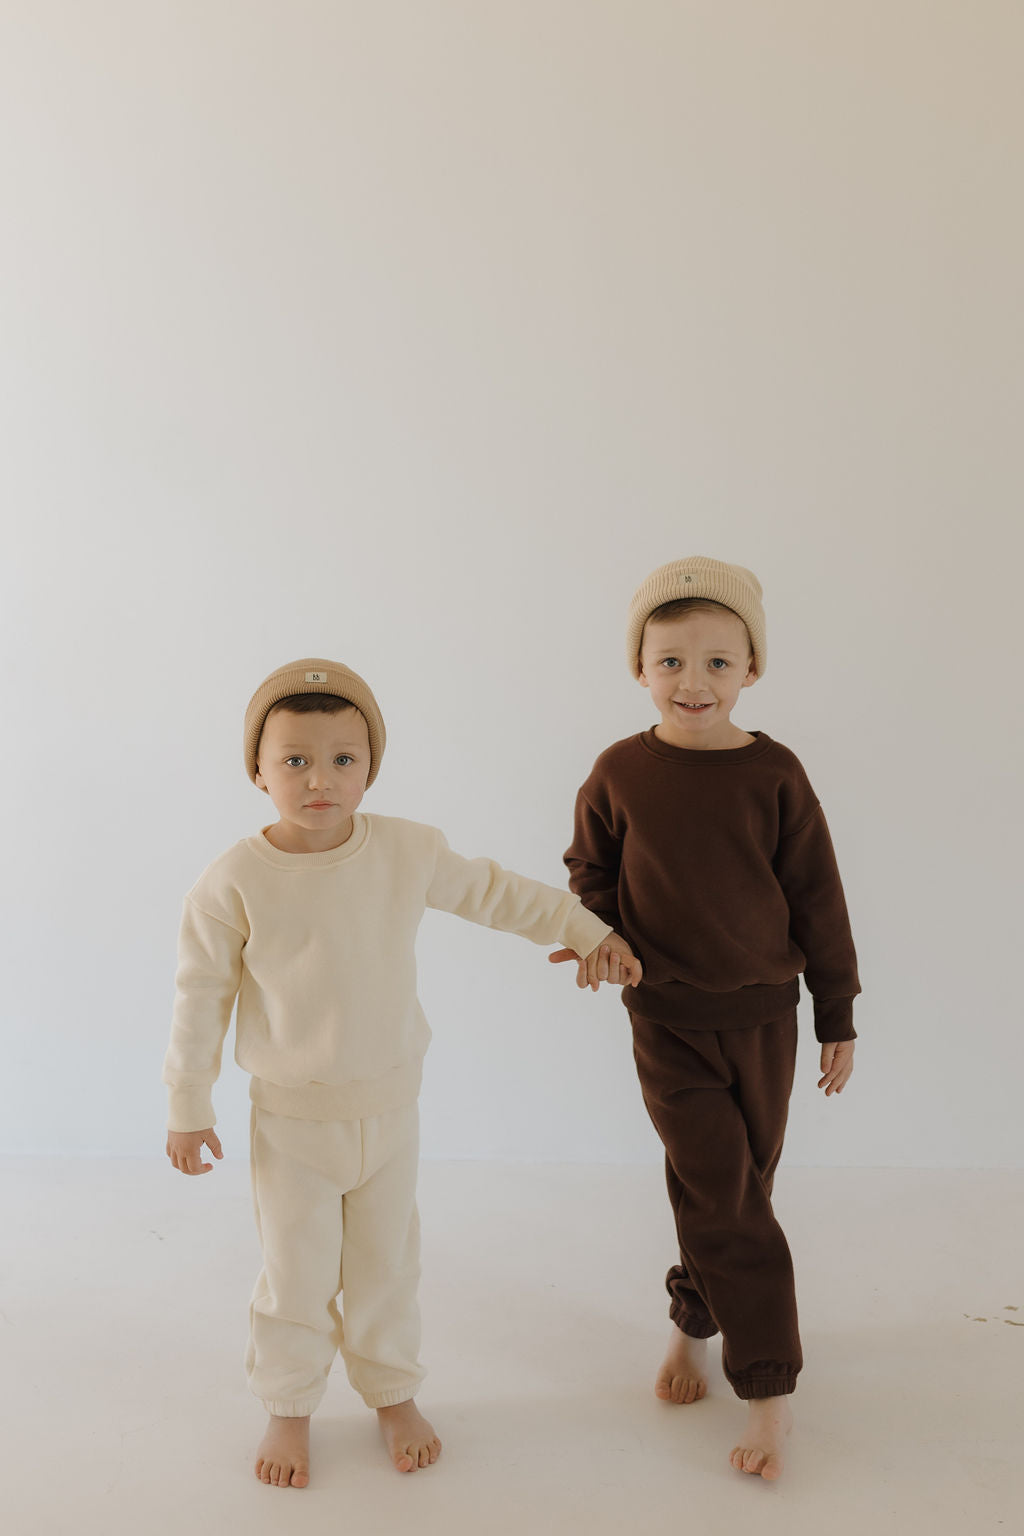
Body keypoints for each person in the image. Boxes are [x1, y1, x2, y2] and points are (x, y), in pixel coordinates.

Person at [163, 657, 641, 1490]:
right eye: (296, 760)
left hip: (390, 1115)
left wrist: (586, 929)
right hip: (293, 1123)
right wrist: (186, 1104)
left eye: (344, 759)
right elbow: (199, 998)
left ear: (370, 767)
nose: (321, 779)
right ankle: (288, 1404)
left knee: (387, 1265)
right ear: (257, 769)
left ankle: (391, 1393)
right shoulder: (231, 884)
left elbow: (500, 894)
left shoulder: (407, 850)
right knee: (296, 1272)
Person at [555, 556, 860, 1482]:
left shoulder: (775, 774)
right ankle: (769, 1390)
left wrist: (835, 1014)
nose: (695, 682)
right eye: (672, 661)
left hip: (767, 1017)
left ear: (751, 672)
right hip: (667, 1019)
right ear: (640, 668)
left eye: (719, 663)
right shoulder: (618, 771)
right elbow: (590, 874)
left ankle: (693, 1321)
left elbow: (818, 897)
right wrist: (596, 936)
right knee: (722, 1189)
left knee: (735, 1188)